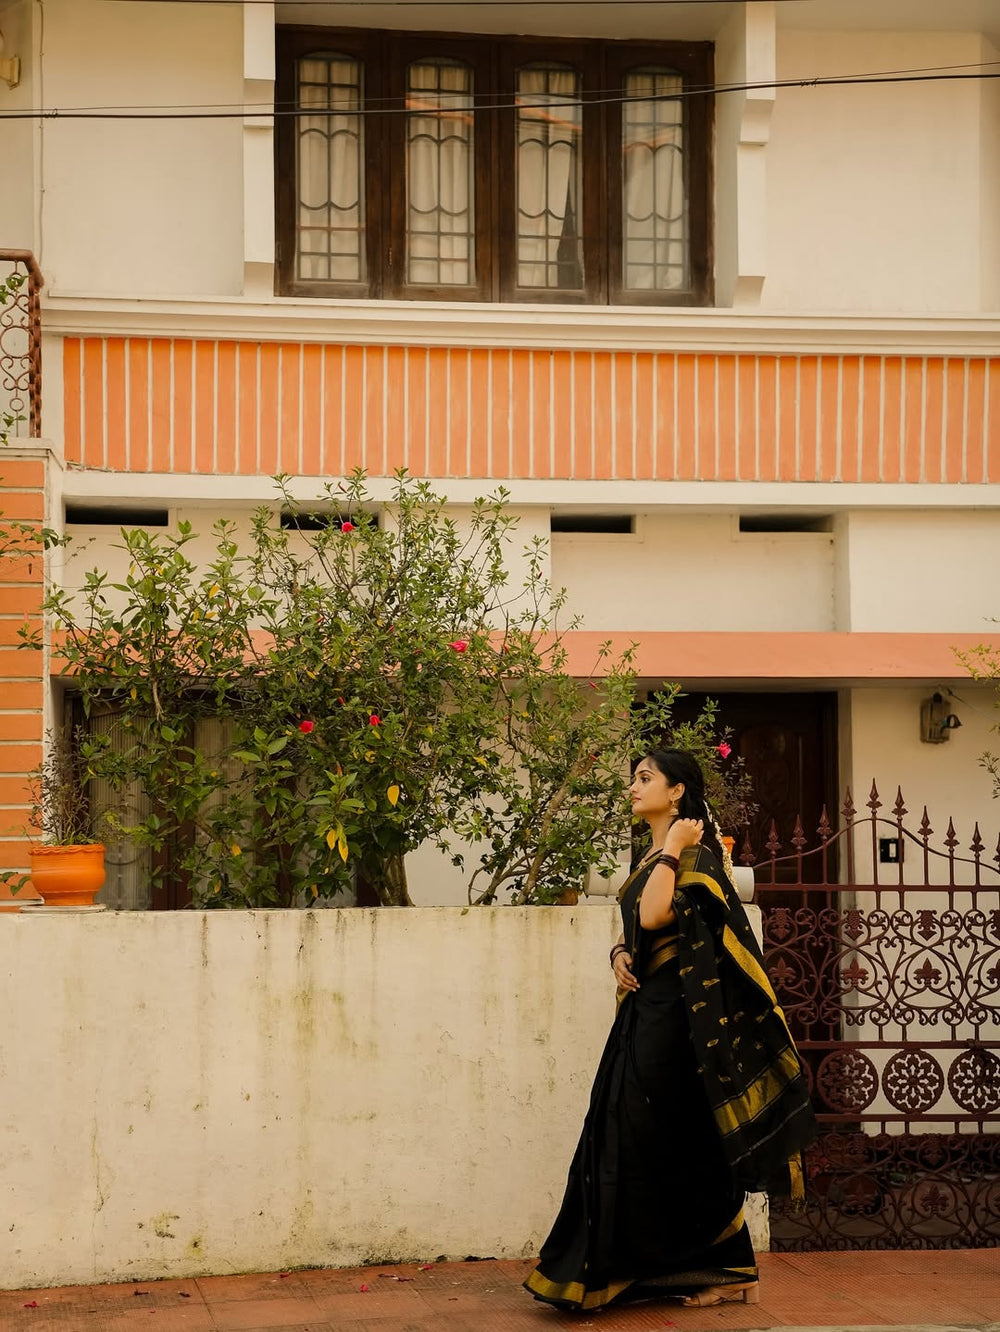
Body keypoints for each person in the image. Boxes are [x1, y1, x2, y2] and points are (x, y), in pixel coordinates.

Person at [524, 748, 816, 1312]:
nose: (632, 787)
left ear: (677, 791)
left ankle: (720, 1268)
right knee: (633, 1137)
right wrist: (617, 952)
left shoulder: (695, 856)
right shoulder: (652, 857)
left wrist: (677, 847)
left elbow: (659, 916)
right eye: (633, 777)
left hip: (680, 1024)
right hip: (645, 1013)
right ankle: (677, 1267)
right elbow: (638, 928)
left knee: (646, 1136)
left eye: (644, 778)